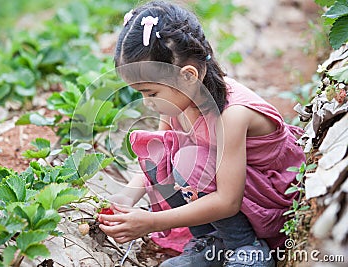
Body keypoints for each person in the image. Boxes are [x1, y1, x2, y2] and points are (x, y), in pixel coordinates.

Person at [98, 1, 306, 266]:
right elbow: (160, 158)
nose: (147, 102)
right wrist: (126, 196)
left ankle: (246, 246)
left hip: (266, 197)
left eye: (150, 92)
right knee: (159, 150)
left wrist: (150, 222)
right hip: (228, 193)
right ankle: (211, 238)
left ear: (188, 76)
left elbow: (229, 202)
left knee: (189, 161)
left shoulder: (232, 115)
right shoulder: (176, 98)